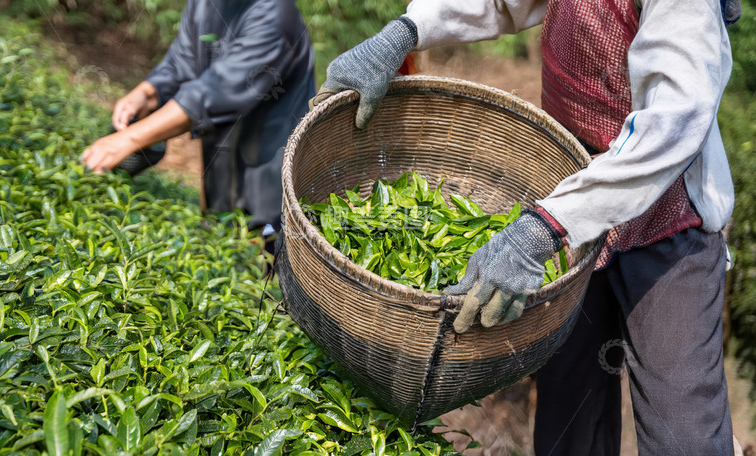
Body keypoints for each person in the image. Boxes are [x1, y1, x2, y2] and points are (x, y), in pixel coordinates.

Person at [310, 0, 741, 454]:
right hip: (571, 204)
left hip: (666, 222)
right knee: (569, 421)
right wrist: (405, 31)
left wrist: (537, 233)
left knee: (685, 434)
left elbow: (674, 121)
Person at [82, 0, 315, 232]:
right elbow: (180, 62)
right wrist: (149, 91)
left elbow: (215, 92)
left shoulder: (275, 13)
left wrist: (129, 139)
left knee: (267, 247)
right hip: (223, 158)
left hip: (272, 166)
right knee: (223, 235)